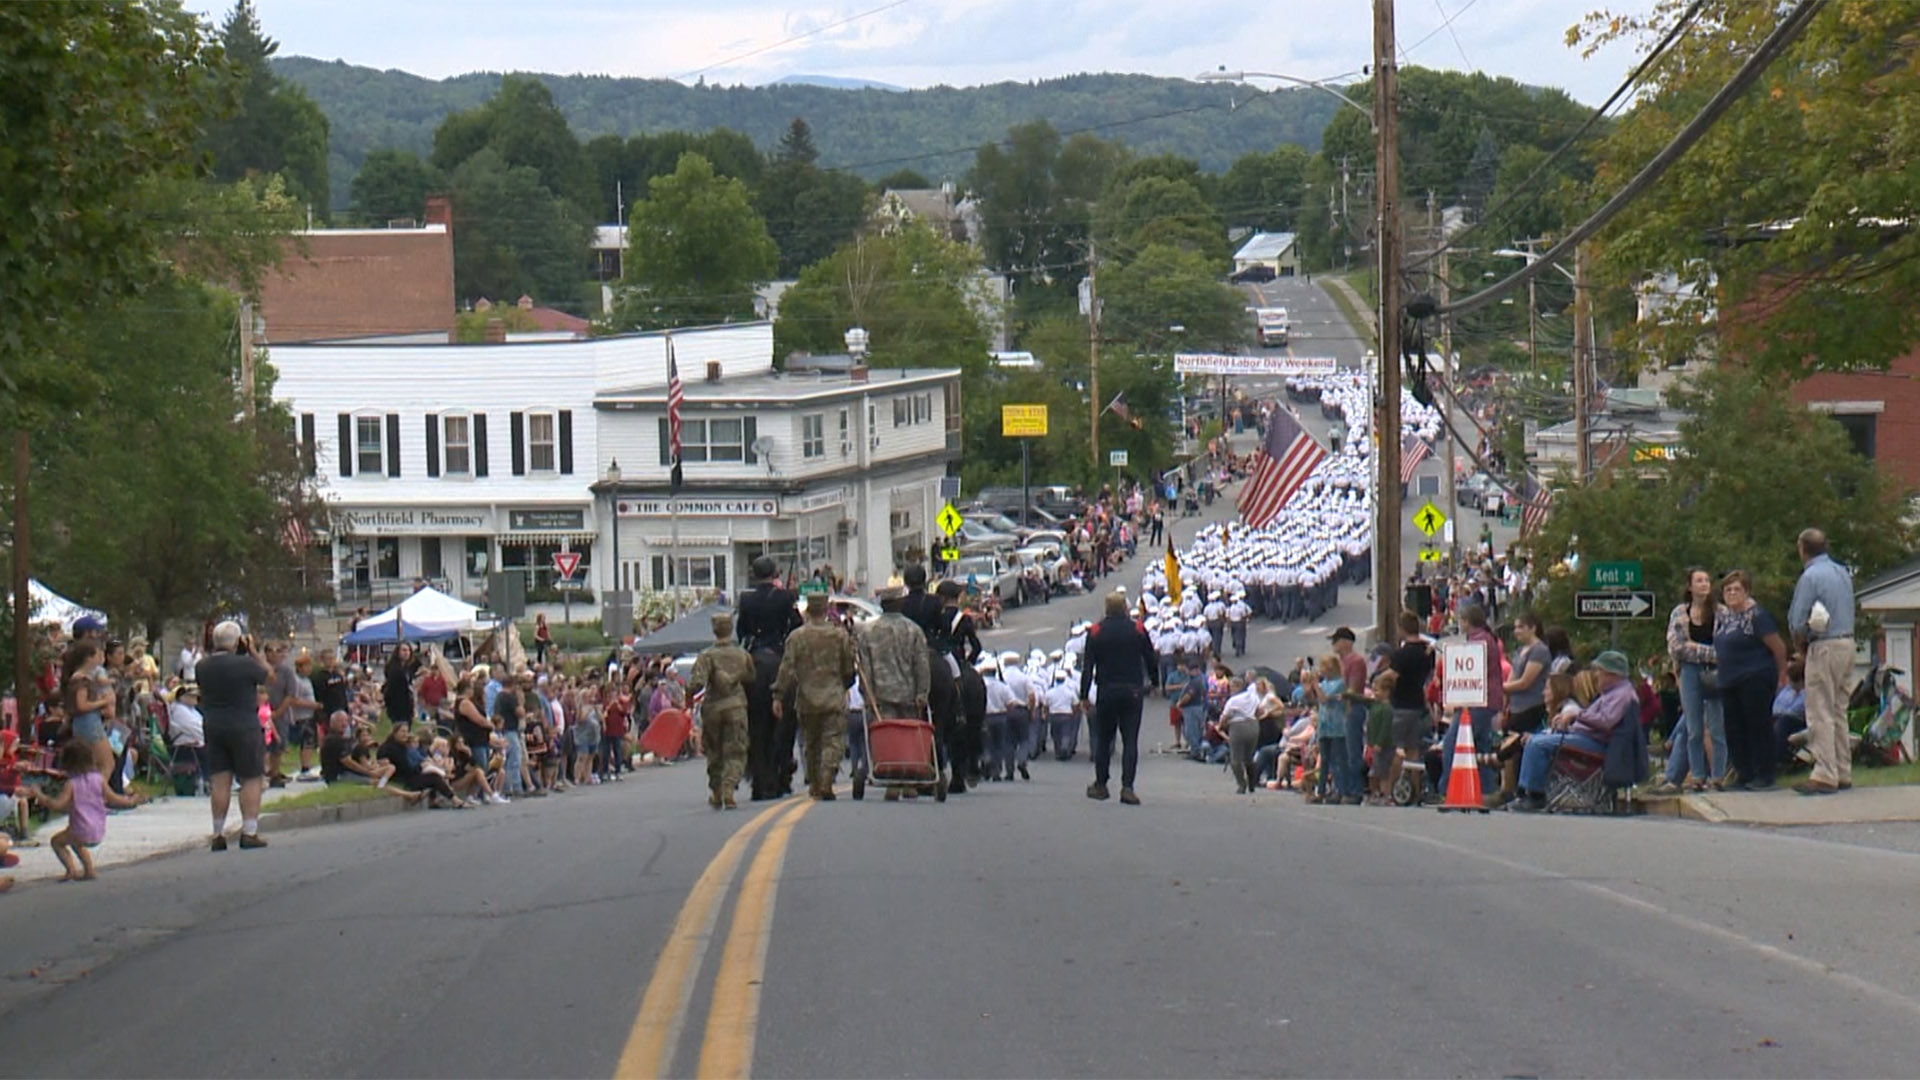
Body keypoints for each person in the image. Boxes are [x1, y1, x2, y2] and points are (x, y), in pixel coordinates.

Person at [1511, 651, 1639, 812]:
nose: (1596, 675)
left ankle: (1534, 795)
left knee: (1538, 743)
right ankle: (1523, 794)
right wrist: (1570, 726)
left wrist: (1576, 714)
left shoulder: (1622, 695)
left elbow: (1606, 722)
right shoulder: (1613, 694)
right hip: (1588, 737)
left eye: (1599, 671)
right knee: (1537, 739)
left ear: (1612, 673)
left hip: (1599, 743)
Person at [1789, 528, 1856, 795]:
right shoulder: (1842, 572)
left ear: (1802, 548)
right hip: (1847, 642)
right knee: (1839, 709)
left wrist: (1801, 644)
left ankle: (1825, 772)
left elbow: (1797, 619)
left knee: (1819, 709)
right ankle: (1843, 769)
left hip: (1824, 644)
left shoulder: (1811, 576)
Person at [773, 591, 858, 800]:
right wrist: (846, 682)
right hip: (833, 695)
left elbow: (786, 668)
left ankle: (814, 782)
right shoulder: (839, 635)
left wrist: (778, 694)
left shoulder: (796, 637)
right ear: (827, 610)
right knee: (833, 741)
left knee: (811, 743)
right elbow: (849, 667)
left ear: (808, 611)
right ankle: (827, 776)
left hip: (806, 698)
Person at [1080, 591, 1160, 805]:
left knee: (1104, 740)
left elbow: (1087, 666)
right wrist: (1155, 682)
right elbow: (1151, 658)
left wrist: (1084, 695)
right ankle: (1127, 787)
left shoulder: (1096, 631)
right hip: (1132, 690)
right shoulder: (1137, 628)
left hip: (1106, 690)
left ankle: (1101, 784)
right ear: (1125, 608)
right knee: (1130, 740)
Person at [1715, 569, 1791, 792]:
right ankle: (1744, 773)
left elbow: (1778, 647)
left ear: (1747, 591)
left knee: (1757, 726)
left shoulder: (1757, 616)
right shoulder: (1725, 618)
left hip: (1754, 676)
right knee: (1734, 729)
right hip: (1728, 680)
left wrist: (1782, 673)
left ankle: (1765, 774)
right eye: (1728, 589)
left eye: (1736, 589)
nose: (1731, 593)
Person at [198, 621, 271, 850]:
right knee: (250, 778)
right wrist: (253, 652)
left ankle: (218, 833)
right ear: (238, 641)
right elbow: (270, 676)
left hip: (214, 723)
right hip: (244, 724)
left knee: (220, 779)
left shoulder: (203, 666)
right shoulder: (246, 664)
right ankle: (249, 831)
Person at [27, 739, 144, 881]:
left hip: (79, 829)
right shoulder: (99, 779)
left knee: (57, 842)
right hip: (98, 829)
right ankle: (89, 870)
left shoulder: (72, 784)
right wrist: (130, 800)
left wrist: (40, 796)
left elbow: (58, 805)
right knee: (76, 842)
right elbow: (113, 798)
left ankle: (71, 869)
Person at [737, 556, 802, 800]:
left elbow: (741, 630)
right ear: (774, 573)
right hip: (778, 652)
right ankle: (781, 776)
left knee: (757, 725)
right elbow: (796, 625)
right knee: (785, 723)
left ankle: (759, 779)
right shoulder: (784, 597)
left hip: (755, 657)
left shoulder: (746, 599)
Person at [692, 612, 757, 809]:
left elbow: (697, 683)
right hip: (736, 706)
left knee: (714, 751)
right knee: (736, 750)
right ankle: (729, 788)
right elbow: (751, 677)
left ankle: (717, 790)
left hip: (713, 708)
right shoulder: (742, 655)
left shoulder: (707, 656)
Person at [1220, 676, 1261, 794]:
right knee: (1249, 756)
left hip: (1237, 726)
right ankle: (1252, 781)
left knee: (1236, 759)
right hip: (1253, 725)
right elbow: (1259, 711)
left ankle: (1241, 784)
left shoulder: (1233, 700)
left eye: (1231, 687)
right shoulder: (1253, 696)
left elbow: (1225, 716)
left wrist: (1220, 726)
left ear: (1236, 687)